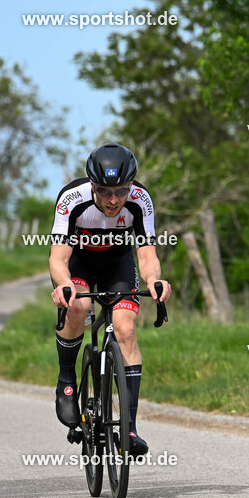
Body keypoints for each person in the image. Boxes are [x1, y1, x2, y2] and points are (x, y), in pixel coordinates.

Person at [49, 143, 172, 456]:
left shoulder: (141, 200)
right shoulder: (71, 199)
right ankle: (67, 377)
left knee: (126, 329)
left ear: (131, 185)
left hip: (118, 264)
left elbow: (146, 255)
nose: (114, 200)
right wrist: (64, 285)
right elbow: (58, 257)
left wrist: (154, 281)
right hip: (78, 264)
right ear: (92, 185)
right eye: (104, 191)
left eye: (121, 191)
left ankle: (129, 429)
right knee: (80, 306)